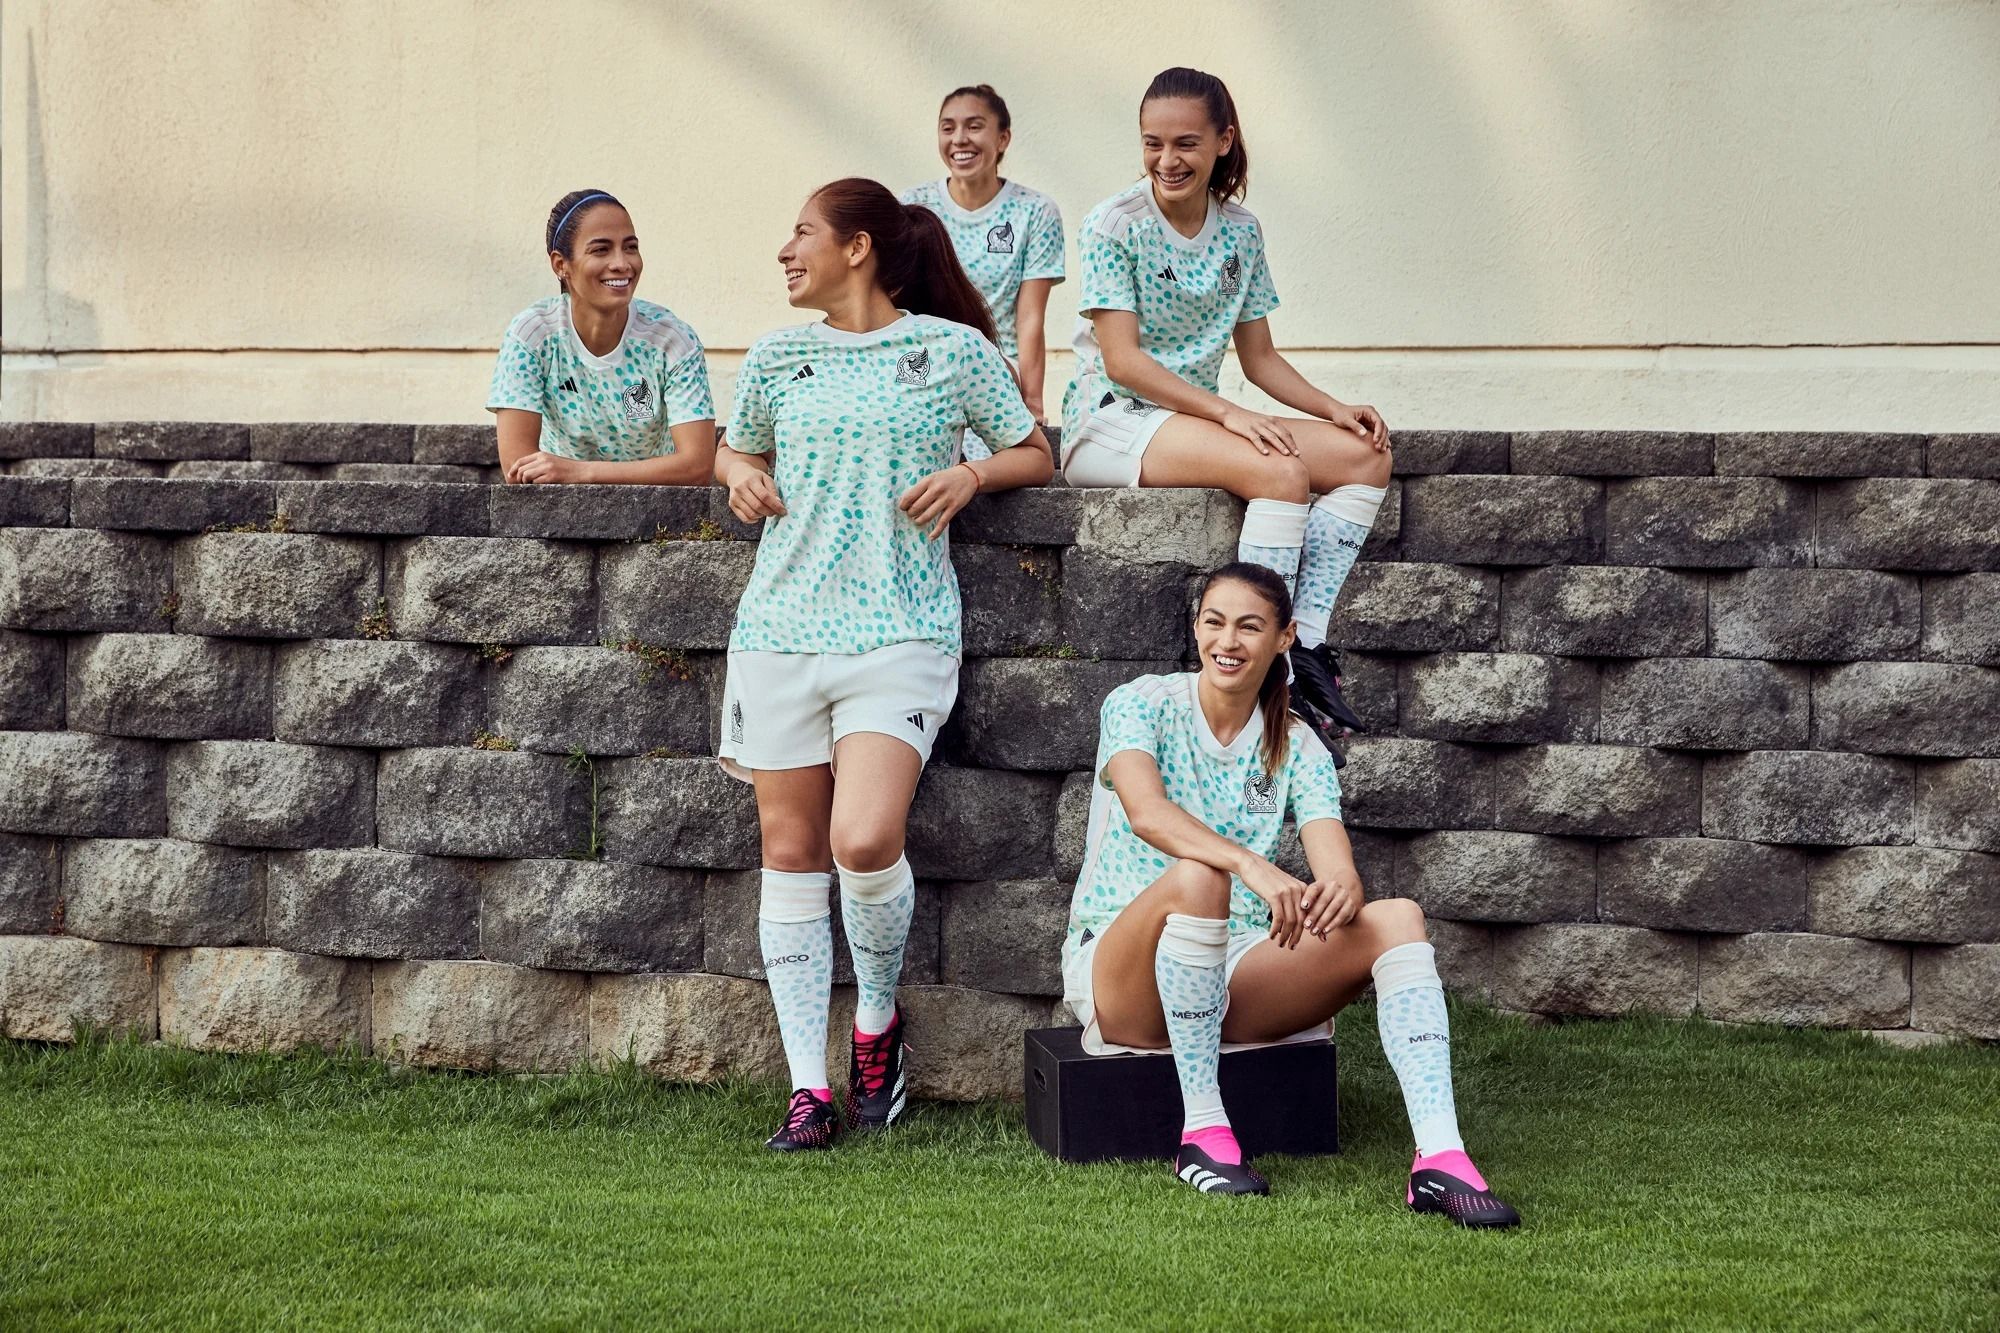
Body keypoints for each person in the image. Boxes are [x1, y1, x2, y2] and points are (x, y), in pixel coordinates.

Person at [713, 177, 1056, 1151]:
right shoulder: (777, 358)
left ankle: (874, 1025)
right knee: (787, 855)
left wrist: (973, 471)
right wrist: (740, 475)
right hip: (779, 629)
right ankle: (805, 1091)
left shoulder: (949, 351)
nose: (785, 251)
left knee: (861, 841)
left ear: (857, 247)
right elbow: (734, 453)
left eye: (801, 233)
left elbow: (1032, 449)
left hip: (899, 629)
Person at [1063, 561, 1519, 1223]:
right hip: (1121, 970)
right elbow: (1146, 812)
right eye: (1214, 622)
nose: (1228, 640)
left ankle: (1440, 1160)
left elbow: (1337, 868)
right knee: (1199, 874)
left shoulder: (1297, 742)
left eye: (1250, 626)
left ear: (1283, 637)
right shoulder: (1142, 702)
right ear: (1196, 629)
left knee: (1398, 919)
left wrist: (1336, 891)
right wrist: (1251, 864)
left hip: (1235, 966)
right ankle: (1203, 1135)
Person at [1062, 68, 1393, 762]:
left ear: (1224, 140)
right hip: (1113, 420)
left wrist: (1334, 409)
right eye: (1152, 143)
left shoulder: (1241, 230)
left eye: (1186, 142)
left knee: (1365, 456)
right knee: (1279, 471)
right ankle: (1256, 666)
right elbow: (1121, 360)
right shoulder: (1113, 223)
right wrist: (1229, 415)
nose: (1167, 160)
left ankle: (1305, 642)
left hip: (1201, 423)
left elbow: (1261, 357)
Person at [488, 189, 717, 484]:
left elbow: (696, 465)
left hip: (660, 512)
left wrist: (582, 472)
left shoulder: (672, 340)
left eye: (630, 247)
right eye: (601, 250)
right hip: (555, 507)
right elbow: (518, 466)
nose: (622, 263)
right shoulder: (532, 335)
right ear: (561, 265)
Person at [901, 84, 1066, 453]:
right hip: (922, 374)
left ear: (1002, 138)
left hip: (995, 377)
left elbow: (1029, 317)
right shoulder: (913, 205)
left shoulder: (1035, 211)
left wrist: (1032, 403)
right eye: (948, 128)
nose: (960, 139)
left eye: (974, 126)